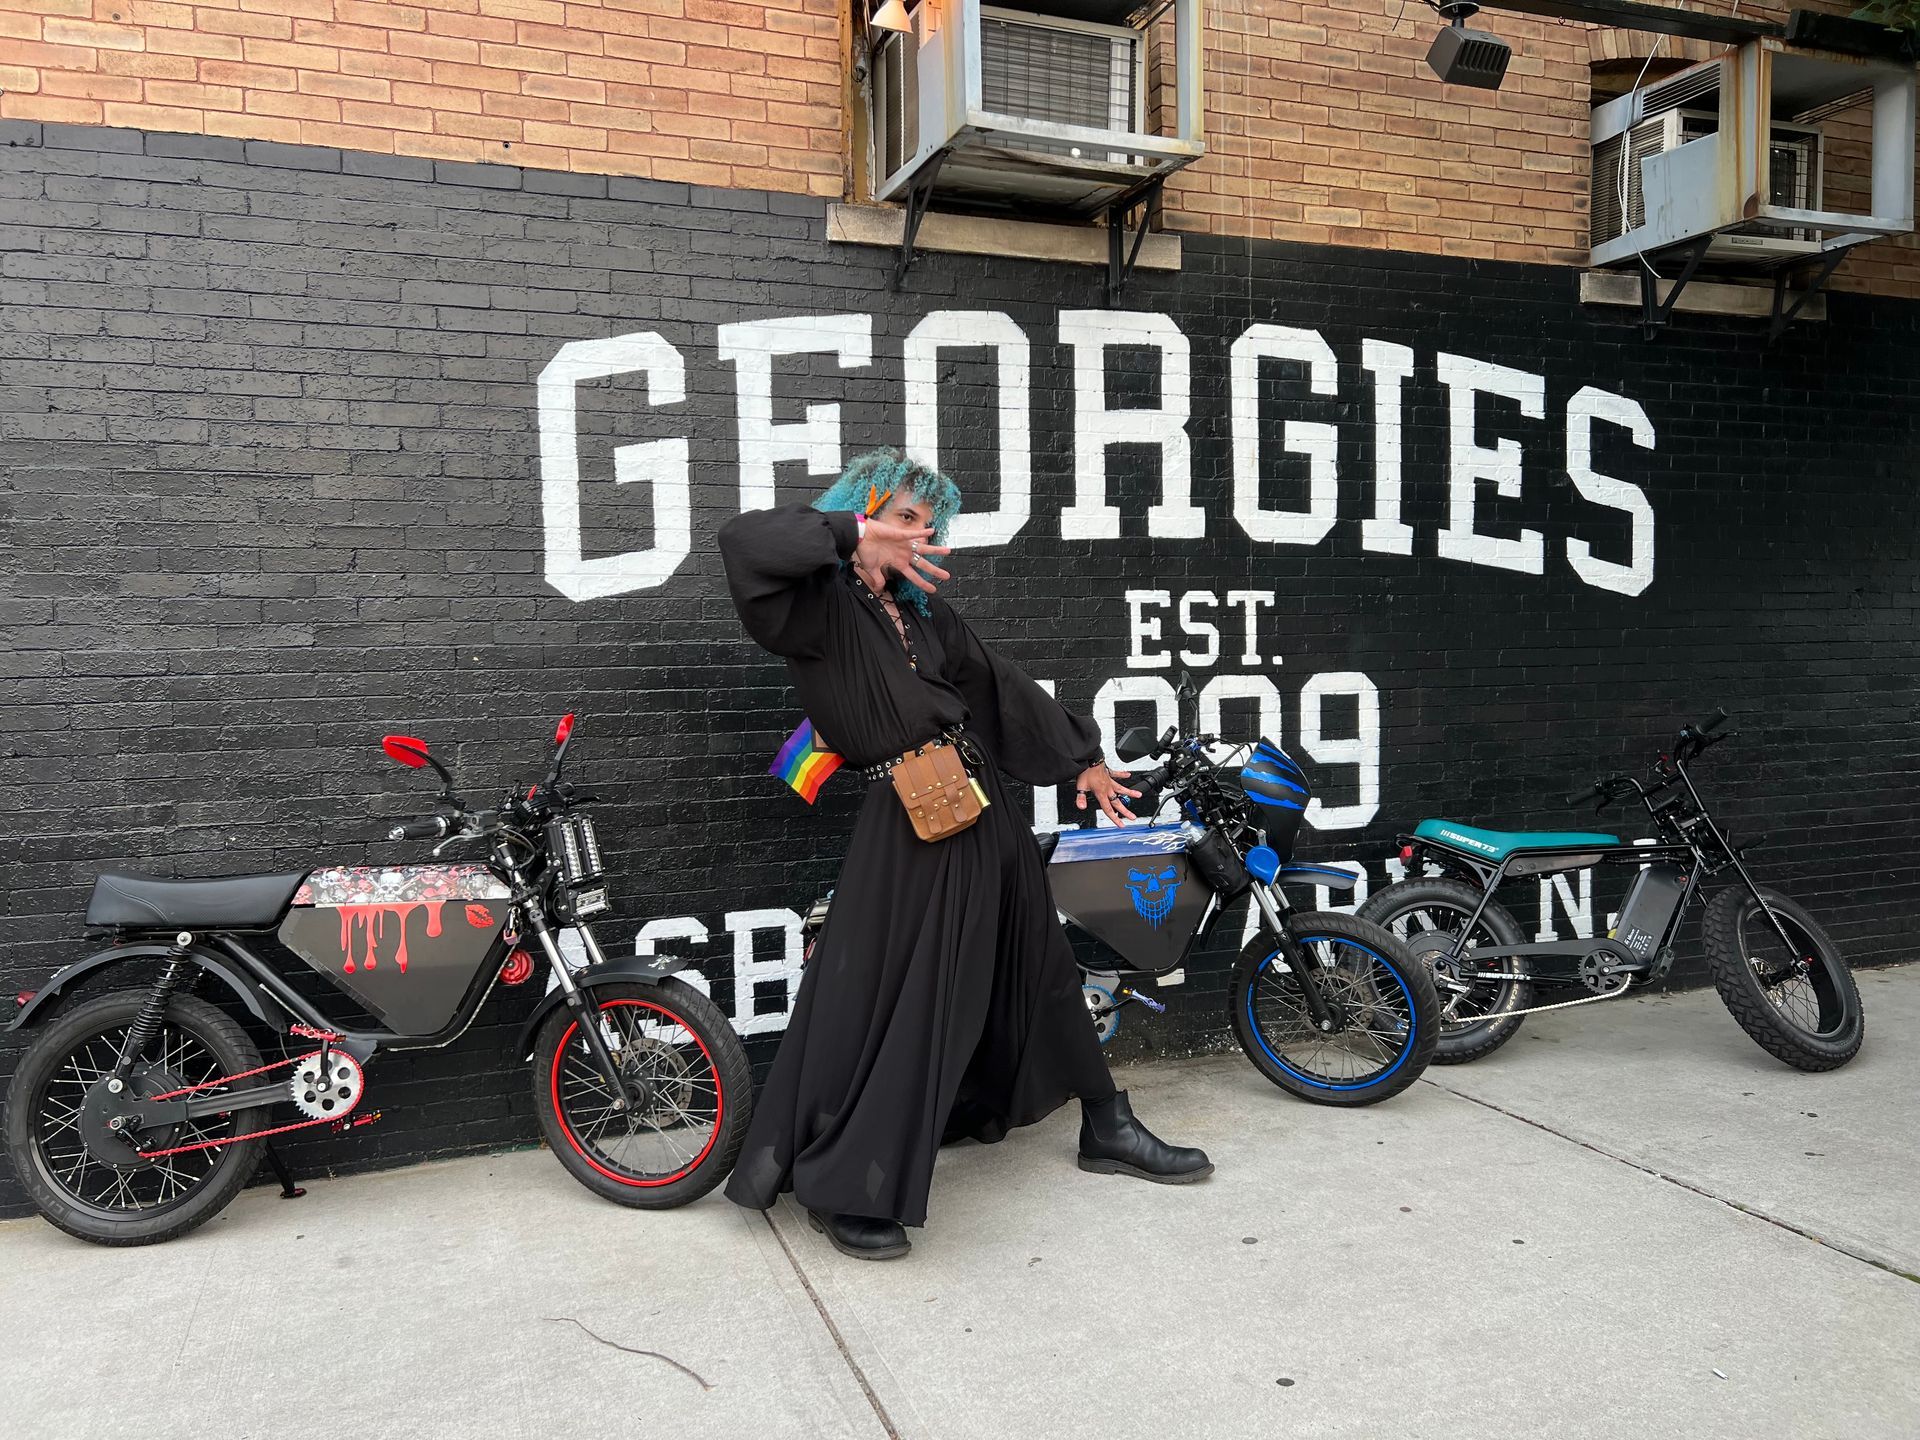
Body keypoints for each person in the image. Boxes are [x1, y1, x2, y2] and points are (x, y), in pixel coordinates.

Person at [717, 449, 1211, 1261]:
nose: (917, 535)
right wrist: (850, 539)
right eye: (902, 517)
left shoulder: (927, 617)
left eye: (926, 524)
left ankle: (1106, 1123)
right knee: (900, 998)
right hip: (908, 821)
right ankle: (851, 1182)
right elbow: (743, 540)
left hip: (982, 806)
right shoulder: (813, 608)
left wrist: (1078, 756)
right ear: (860, 511)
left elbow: (997, 685)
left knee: (1043, 965)